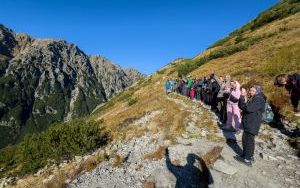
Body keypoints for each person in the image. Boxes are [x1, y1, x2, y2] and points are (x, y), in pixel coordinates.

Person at [234, 85, 265, 167]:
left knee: (249, 140)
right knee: (246, 139)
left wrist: (243, 100)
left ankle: (247, 159)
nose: (251, 92)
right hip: (249, 122)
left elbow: (248, 109)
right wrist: (242, 97)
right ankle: (247, 155)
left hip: (252, 123)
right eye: (250, 90)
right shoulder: (254, 98)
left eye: (253, 91)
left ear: (258, 91)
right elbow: (243, 106)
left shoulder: (259, 99)